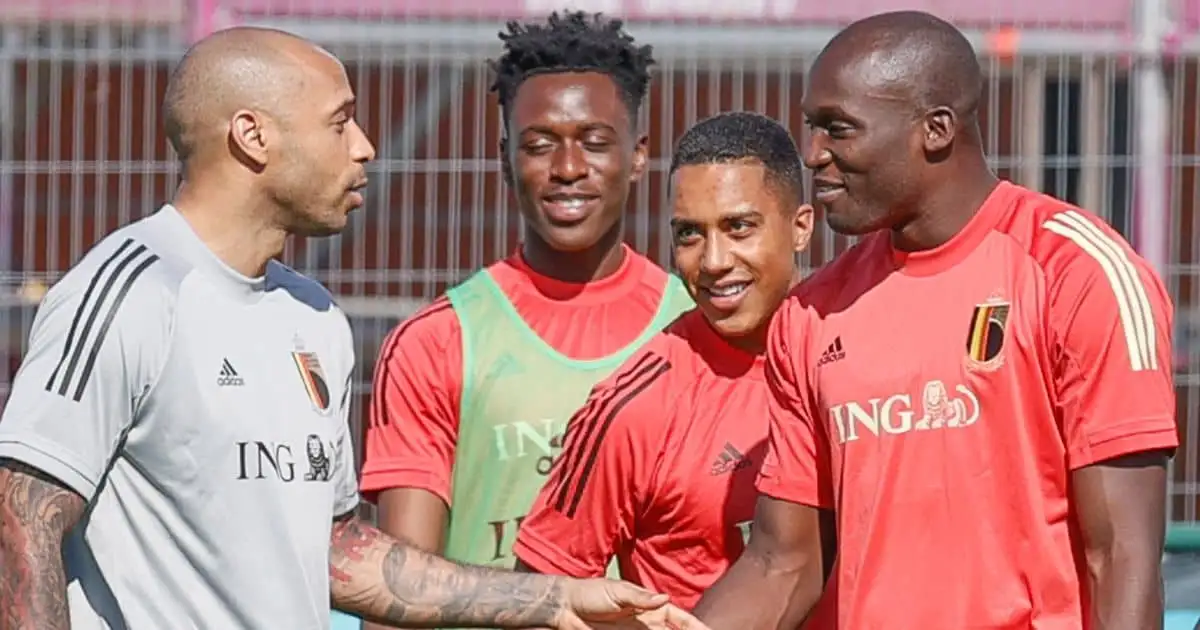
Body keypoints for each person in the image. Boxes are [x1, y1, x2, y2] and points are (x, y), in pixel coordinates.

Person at [0, 26, 707, 630]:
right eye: (340, 122)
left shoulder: (313, 317)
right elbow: (20, 524)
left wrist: (554, 598)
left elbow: (342, 555)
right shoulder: (130, 290)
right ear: (253, 136)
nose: (366, 146)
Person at [693, 10, 1178, 630]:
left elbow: (1122, 560)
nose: (813, 156)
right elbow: (782, 562)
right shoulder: (813, 311)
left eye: (837, 129)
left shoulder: (1077, 273)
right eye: (812, 129)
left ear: (936, 129)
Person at [358, 8, 693, 586]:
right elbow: (401, 596)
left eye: (594, 142)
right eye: (540, 146)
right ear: (505, 160)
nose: (568, 168)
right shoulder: (435, 342)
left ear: (637, 156)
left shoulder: (695, 325)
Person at [512, 111, 816, 610]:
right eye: (690, 235)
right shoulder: (635, 407)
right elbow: (539, 598)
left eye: (739, 227)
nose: (714, 261)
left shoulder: (857, 351)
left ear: (800, 227)